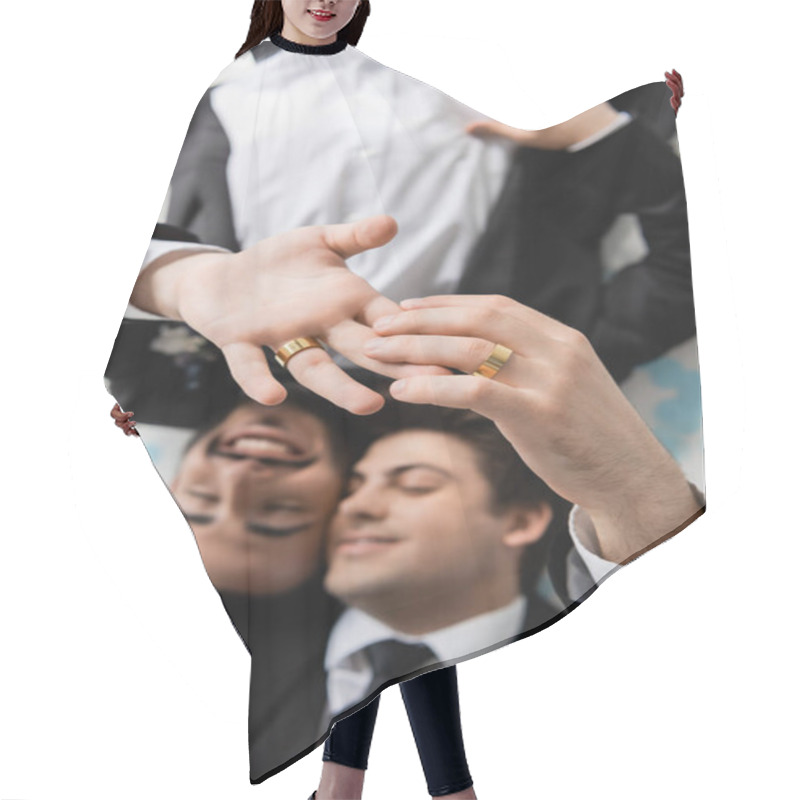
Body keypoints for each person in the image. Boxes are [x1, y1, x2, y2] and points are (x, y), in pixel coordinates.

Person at [102, 0, 703, 790]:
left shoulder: (415, 100)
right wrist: (157, 376)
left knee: (401, 581)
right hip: (298, 383)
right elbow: (185, 251)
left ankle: (359, 784)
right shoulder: (228, 96)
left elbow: (541, 152)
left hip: (448, 391)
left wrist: (638, 122)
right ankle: (419, 785)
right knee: (372, 585)